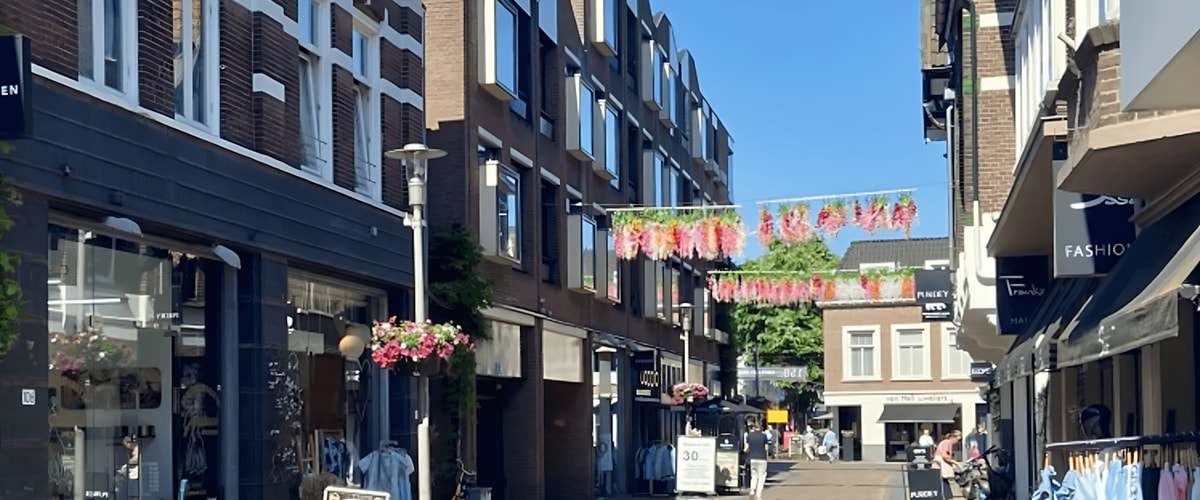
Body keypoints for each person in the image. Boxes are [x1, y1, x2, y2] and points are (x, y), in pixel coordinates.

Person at [932, 430, 963, 498]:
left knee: (946, 488)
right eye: (958, 440)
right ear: (953, 437)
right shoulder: (947, 442)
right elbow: (945, 456)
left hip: (940, 468)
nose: (958, 442)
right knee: (943, 488)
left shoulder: (947, 443)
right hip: (939, 468)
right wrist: (956, 463)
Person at [744, 424, 770, 500]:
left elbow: (746, 448)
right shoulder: (764, 436)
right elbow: (766, 447)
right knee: (761, 478)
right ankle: (758, 496)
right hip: (762, 458)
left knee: (754, 476)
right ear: (761, 428)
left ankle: (752, 490)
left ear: (754, 428)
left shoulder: (749, 436)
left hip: (752, 458)